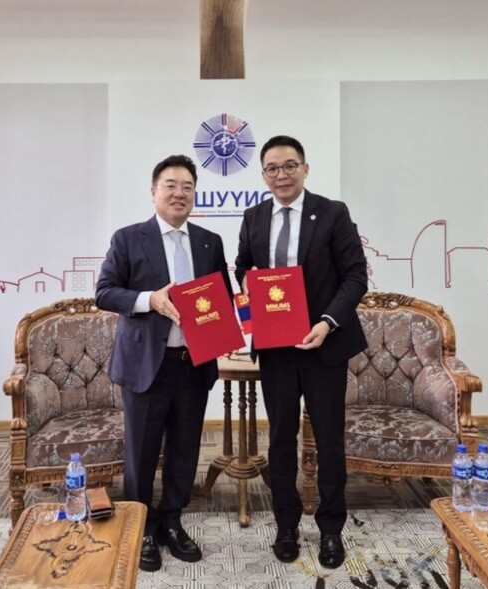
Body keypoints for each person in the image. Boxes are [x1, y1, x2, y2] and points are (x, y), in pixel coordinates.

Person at [235, 136, 368, 569]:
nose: (281, 175)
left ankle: (330, 529)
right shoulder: (254, 216)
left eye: (289, 165)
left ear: (305, 169)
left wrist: (327, 323)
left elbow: (354, 277)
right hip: (276, 348)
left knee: (329, 439)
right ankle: (286, 524)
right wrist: (248, 280)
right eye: (272, 168)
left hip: (323, 346)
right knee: (280, 441)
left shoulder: (332, 212)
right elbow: (242, 267)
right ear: (263, 175)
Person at [96, 154, 232, 572]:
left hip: (193, 364)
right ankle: (142, 527)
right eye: (170, 185)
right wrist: (148, 299)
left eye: (188, 186)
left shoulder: (210, 242)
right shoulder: (128, 238)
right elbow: (104, 292)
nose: (179, 193)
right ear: (154, 192)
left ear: (195, 194)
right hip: (145, 365)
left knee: (185, 449)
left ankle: (172, 521)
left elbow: (222, 298)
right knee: (141, 452)